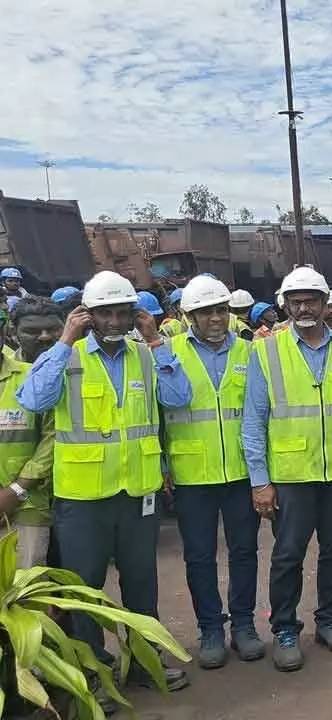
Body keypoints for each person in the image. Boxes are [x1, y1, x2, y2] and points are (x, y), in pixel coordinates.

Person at [17, 270, 193, 708]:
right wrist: (63, 341)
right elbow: (34, 400)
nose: (114, 321)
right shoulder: (66, 355)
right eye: (104, 313)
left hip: (137, 493)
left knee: (141, 583)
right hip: (82, 498)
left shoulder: (145, 354)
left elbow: (178, 397)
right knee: (84, 590)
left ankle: (143, 661)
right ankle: (93, 671)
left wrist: (156, 341)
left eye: (122, 313)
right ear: (88, 315)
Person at [241, 266, 332, 672]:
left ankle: (330, 620)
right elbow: (253, 420)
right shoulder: (265, 352)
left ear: (325, 305)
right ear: (285, 305)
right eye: (295, 301)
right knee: (287, 555)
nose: (303, 308)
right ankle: (285, 629)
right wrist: (260, 480)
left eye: (311, 301)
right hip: (290, 475)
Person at [164, 275, 266, 670]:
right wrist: (163, 465)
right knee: (200, 557)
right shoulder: (168, 352)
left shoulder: (250, 351)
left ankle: (243, 625)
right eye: (206, 312)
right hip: (192, 475)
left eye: (221, 310)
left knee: (244, 552)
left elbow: (260, 415)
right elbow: (156, 413)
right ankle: (210, 628)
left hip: (240, 472)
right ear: (188, 315)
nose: (216, 318)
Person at [0, 296, 62, 568]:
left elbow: (54, 435)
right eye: (33, 331)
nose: (45, 338)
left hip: (34, 500)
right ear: (12, 331)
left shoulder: (29, 378)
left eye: (51, 330)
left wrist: (16, 490)